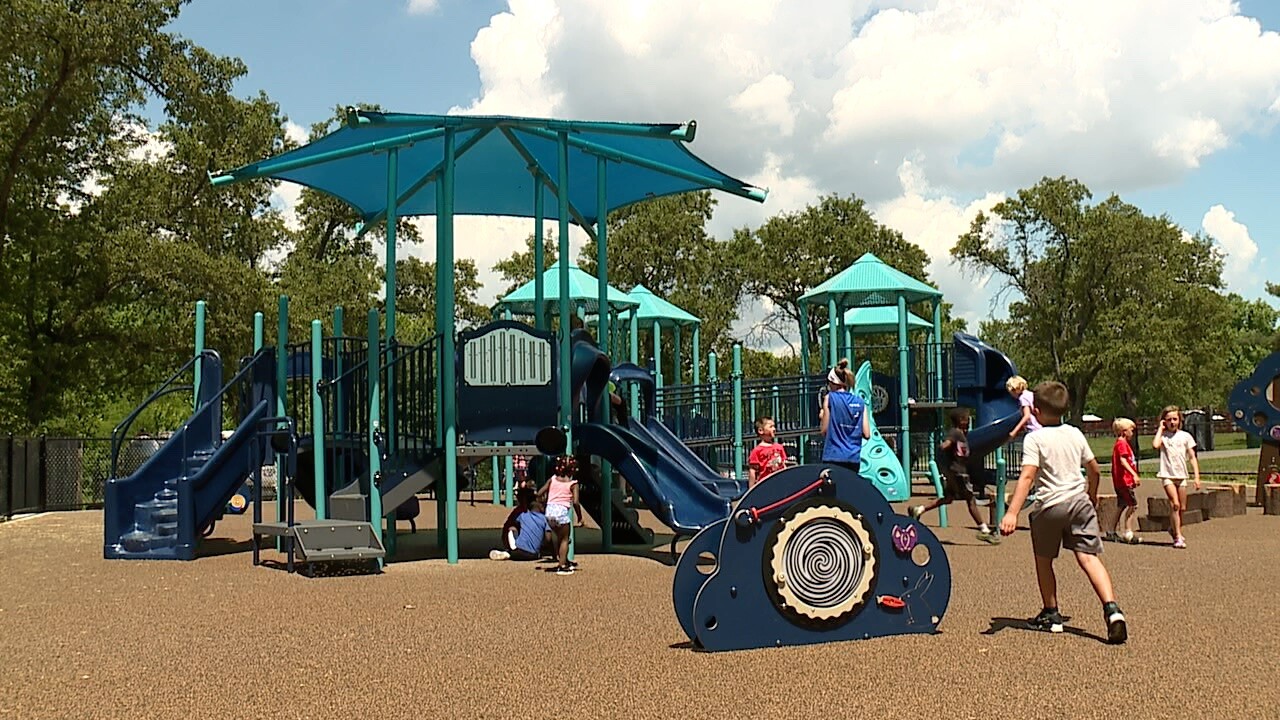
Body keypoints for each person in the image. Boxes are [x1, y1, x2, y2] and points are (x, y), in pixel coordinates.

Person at [999, 381, 1128, 644]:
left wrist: (1012, 512)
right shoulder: (1075, 433)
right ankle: (1112, 610)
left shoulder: (1035, 438)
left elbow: (1027, 477)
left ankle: (1051, 614)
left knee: (1044, 560)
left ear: (1034, 410)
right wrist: (1091, 495)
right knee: (1089, 558)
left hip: (1050, 507)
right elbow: (1094, 469)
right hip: (1079, 502)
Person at [909, 409, 1000, 543]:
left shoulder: (962, 435)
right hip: (958, 473)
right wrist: (944, 447)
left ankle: (920, 509)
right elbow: (947, 443)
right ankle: (984, 530)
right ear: (960, 421)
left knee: (948, 498)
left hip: (956, 471)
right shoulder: (955, 433)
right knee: (971, 500)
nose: (968, 421)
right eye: (966, 419)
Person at [1152, 405, 1201, 549]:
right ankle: (1178, 536)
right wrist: (1160, 429)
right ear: (1164, 421)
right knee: (1175, 504)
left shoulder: (1185, 436)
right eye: (1168, 420)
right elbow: (1155, 445)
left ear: (1179, 420)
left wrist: (1197, 477)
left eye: (1174, 419)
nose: (1172, 422)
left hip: (1181, 475)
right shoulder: (1163, 437)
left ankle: (1173, 527)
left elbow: (1192, 457)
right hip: (1167, 475)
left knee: (1182, 508)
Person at [820, 358, 871, 476]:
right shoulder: (860, 402)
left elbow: (824, 430)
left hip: (833, 456)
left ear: (833, 382)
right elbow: (867, 434)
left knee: (832, 493)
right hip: (853, 458)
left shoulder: (830, 398)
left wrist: (822, 417)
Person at [537, 455, 585, 575]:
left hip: (549, 512)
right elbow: (576, 502)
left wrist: (543, 501)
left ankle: (564, 559)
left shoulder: (552, 479)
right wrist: (580, 516)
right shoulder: (573, 484)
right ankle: (562, 565)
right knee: (564, 539)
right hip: (561, 512)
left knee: (559, 537)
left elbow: (539, 493)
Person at [490, 487, 551, 562]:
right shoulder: (544, 519)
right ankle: (510, 552)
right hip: (534, 554)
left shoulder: (522, 515)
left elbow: (510, 526)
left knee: (512, 529)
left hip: (518, 550)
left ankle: (510, 551)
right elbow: (548, 538)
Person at [1107, 418, 1141, 544]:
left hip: (1121, 482)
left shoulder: (1121, 443)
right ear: (1123, 432)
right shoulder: (1121, 444)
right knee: (1133, 505)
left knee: (1122, 505)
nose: (1132, 433)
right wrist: (1134, 475)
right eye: (1131, 430)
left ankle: (1111, 530)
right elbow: (1123, 461)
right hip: (1124, 481)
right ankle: (1128, 531)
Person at [747, 416, 788, 488]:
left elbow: (783, 465)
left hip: (779, 483)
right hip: (764, 485)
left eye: (774, 426)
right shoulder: (757, 451)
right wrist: (751, 490)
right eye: (771, 427)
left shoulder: (779, 447)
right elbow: (752, 471)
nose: (774, 429)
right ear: (761, 430)